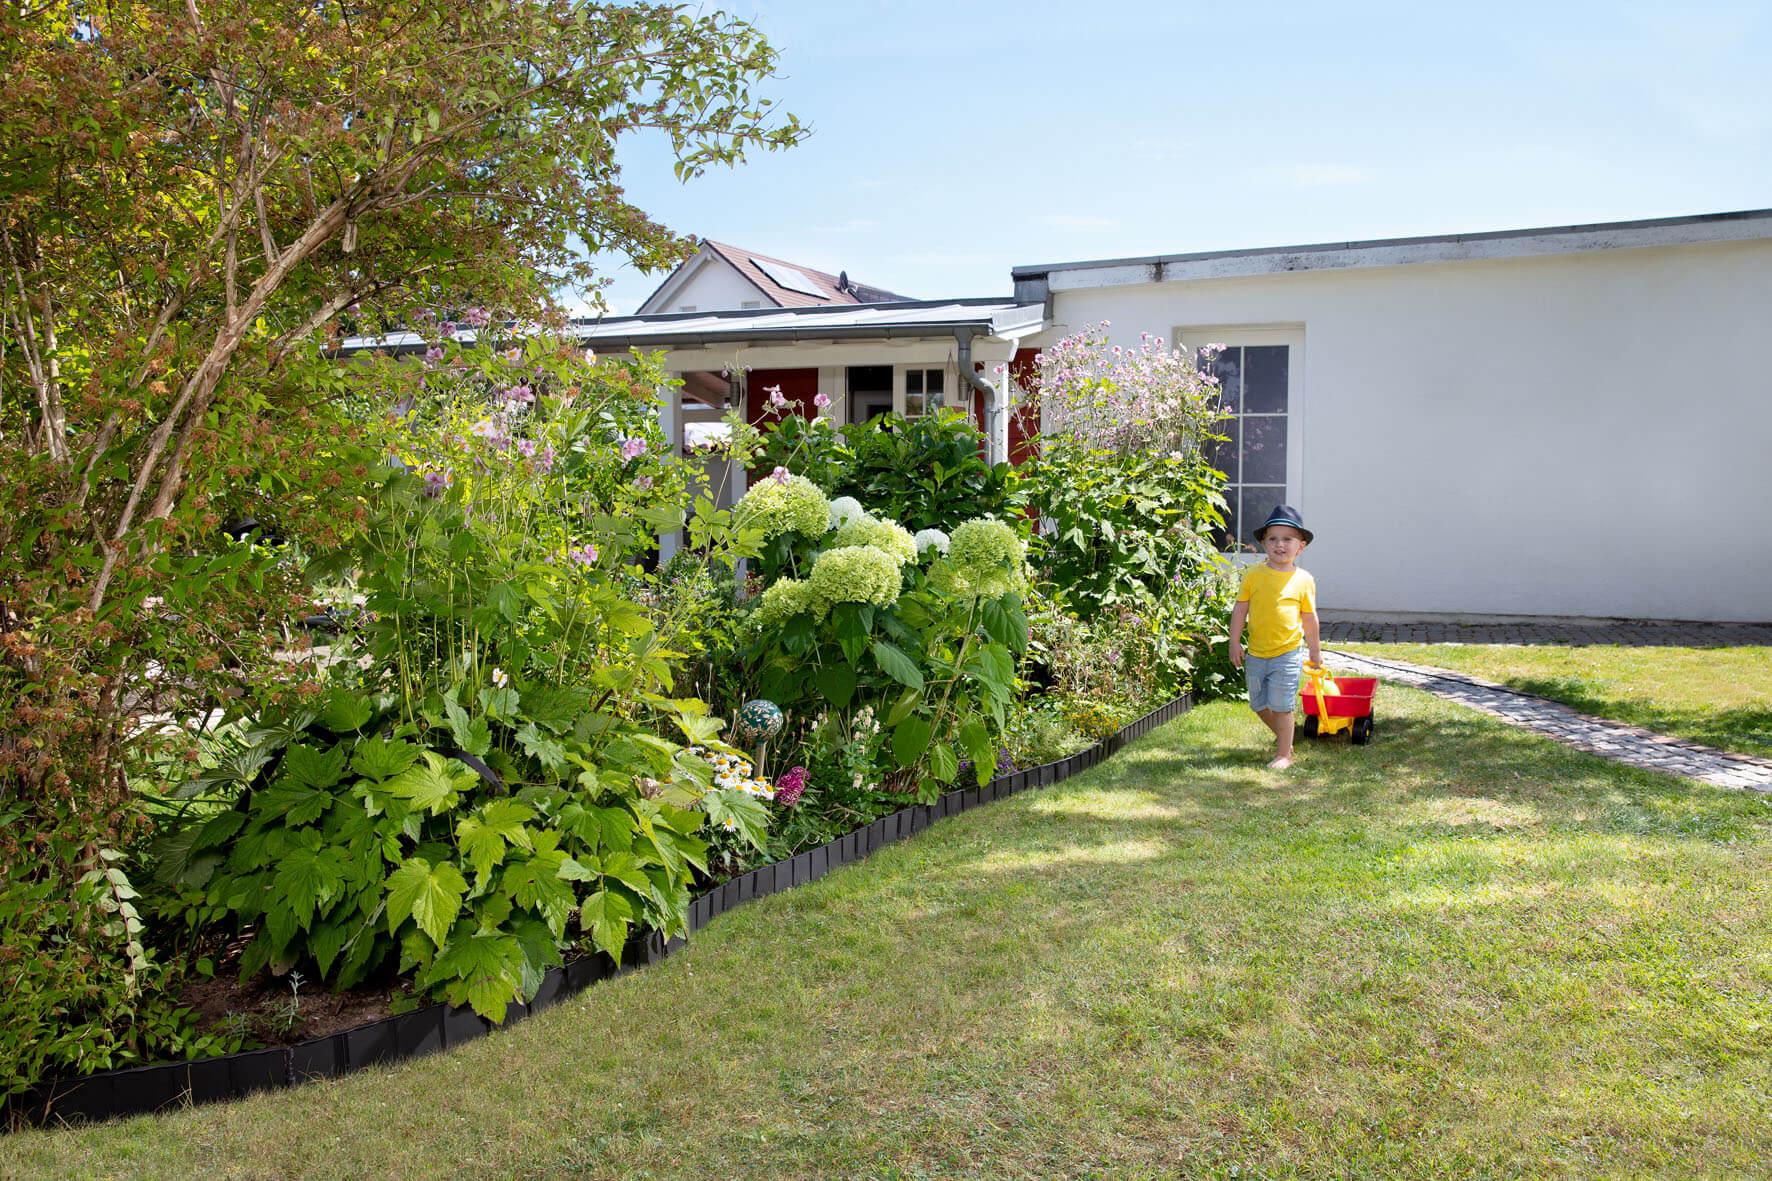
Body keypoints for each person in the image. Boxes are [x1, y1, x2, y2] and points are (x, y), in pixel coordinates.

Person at [1228, 505, 1321, 769]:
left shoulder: (1303, 580)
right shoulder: (1254, 575)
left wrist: (1315, 651)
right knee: (1258, 704)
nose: (1280, 544)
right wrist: (1234, 641)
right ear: (1263, 543)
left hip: (1287, 652)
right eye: (1273, 539)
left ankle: (1283, 755)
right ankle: (1286, 738)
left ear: (1300, 547)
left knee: (1282, 705)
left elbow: (1309, 619)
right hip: (1257, 652)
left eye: (1287, 539)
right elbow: (1240, 609)